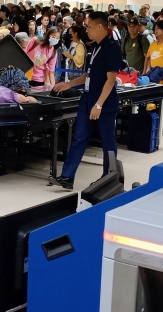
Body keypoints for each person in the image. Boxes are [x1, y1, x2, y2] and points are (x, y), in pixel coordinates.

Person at [51, 11, 122, 190]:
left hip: (103, 103)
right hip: (87, 99)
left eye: (89, 26)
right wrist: (70, 84)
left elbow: (111, 79)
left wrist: (99, 104)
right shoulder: (94, 47)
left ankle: (110, 177)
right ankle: (67, 176)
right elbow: (88, 75)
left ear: (100, 27)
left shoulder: (112, 47)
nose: (87, 30)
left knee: (108, 142)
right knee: (79, 137)